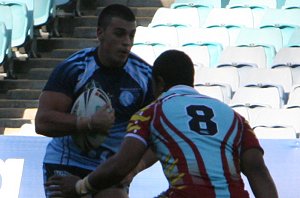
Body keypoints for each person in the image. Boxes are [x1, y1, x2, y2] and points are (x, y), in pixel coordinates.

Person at [46, 49, 278, 198]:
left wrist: (79, 187)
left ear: (159, 82)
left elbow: (120, 164)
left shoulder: (152, 113)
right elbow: (258, 172)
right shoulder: (235, 118)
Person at [35, 4, 154, 198]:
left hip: (110, 167)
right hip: (66, 162)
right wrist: (87, 123)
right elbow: (42, 122)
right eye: (119, 34)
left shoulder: (145, 77)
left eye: (131, 36)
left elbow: (160, 135)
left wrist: (132, 169)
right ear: (100, 33)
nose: (126, 42)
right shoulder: (74, 68)